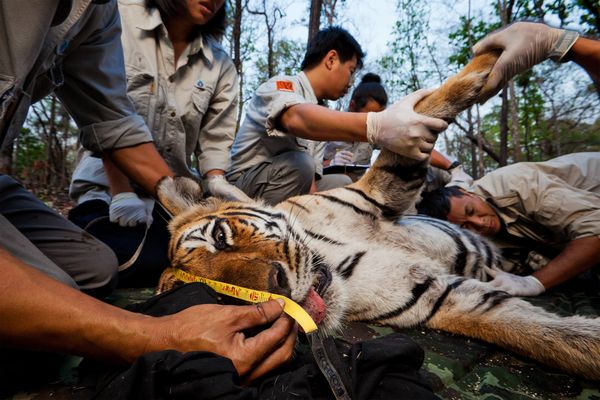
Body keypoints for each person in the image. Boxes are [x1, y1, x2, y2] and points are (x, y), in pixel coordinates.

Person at [0, 0, 294, 393]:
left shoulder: (96, 12)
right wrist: (155, 337)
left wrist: (176, 192)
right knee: (46, 316)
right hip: (107, 192)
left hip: (158, 195)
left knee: (98, 268)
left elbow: (112, 120)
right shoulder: (126, 17)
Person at [67, 0, 246, 286]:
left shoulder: (221, 65)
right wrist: (121, 192)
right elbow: (104, 110)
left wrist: (217, 182)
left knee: (218, 264)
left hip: (172, 200)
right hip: (107, 190)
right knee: (120, 259)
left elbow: (214, 143)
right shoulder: (119, 19)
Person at [227, 26, 449, 205]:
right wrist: (377, 125)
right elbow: (297, 118)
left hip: (286, 181)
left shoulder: (318, 106)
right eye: (351, 71)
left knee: (342, 182)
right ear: (331, 60)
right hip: (240, 189)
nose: (351, 82)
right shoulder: (282, 85)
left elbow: (312, 181)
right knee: (300, 164)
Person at [417, 152, 600, 296]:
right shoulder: (475, 238)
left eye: (472, 211)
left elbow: (595, 230)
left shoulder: (519, 185)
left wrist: (535, 282)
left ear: (470, 193)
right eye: (466, 227)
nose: (480, 224)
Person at [323, 72, 471, 186]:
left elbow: (414, 143)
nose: (372, 120)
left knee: (427, 169)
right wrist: (329, 164)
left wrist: (453, 167)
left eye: (378, 115)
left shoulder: (374, 132)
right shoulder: (327, 125)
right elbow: (305, 163)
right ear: (352, 106)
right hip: (328, 186)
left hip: (359, 188)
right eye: (368, 115)